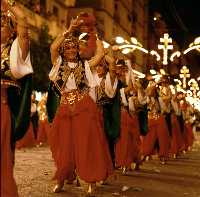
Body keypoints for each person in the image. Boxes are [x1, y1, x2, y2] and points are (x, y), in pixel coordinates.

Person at [46, 17, 113, 194]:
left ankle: (90, 179)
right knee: (64, 146)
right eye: (67, 47)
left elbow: (99, 55)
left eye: (73, 47)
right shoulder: (58, 64)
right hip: (65, 109)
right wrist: (68, 30)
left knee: (86, 144)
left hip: (84, 107)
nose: (70, 50)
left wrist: (95, 36)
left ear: (77, 50)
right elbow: (53, 47)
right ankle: (62, 178)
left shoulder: (85, 65)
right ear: (64, 50)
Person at [1, 0, 33, 196]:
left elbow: (23, 21)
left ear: (12, 31)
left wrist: (8, 3)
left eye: (3, 23)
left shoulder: (16, 50)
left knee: (3, 156)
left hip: (3, 108)